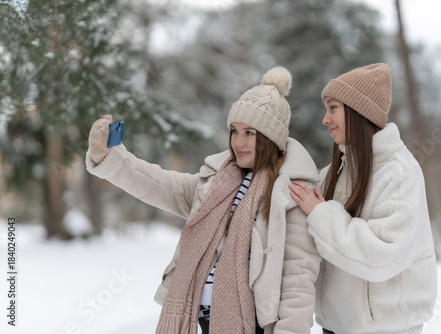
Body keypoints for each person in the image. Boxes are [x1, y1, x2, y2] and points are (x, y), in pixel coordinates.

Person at [86, 66, 321, 334]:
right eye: (234, 131)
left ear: (270, 138)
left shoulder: (291, 194)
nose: (238, 142)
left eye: (250, 133)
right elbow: (160, 184)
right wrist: (110, 157)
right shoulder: (216, 183)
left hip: (252, 325)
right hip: (203, 321)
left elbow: (297, 283)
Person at [288, 63, 437, 334]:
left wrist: (321, 214)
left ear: (358, 112)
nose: (325, 119)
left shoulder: (399, 173)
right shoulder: (338, 171)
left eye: (333, 108)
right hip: (335, 326)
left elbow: (383, 255)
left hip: (385, 328)